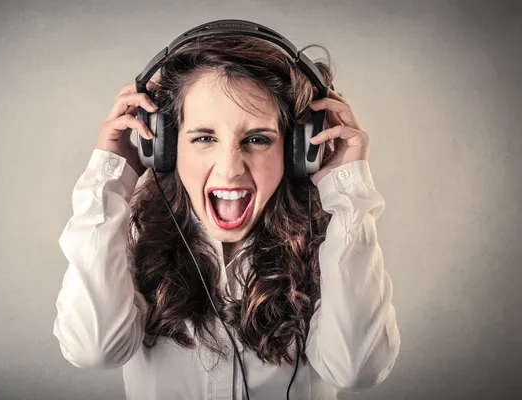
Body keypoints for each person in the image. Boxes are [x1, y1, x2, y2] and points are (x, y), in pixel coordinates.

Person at [53, 25, 400, 400]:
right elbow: (95, 350)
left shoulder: (333, 243)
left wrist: (350, 195)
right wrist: (108, 177)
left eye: (257, 139)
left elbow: (356, 369)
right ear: (165, 148)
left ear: (298, 151)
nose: (231, 168)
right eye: (204, 138)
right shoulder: (128, 242)